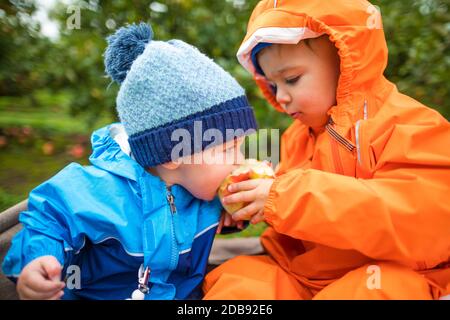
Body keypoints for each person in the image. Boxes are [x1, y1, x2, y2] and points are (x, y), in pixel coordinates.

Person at [203, 0, 450, 299]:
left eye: (291, 79)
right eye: (272, 84)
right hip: (305, 276)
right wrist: (249, 205)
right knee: (239, 280)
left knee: (378, 289)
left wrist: (287, 197)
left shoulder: (411, 126)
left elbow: (424, 220)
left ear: (344, 58)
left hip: (391, 272)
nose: (280, 96)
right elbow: (287, 218)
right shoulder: (296, 139)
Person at [2, 22, 258, 300]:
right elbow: (48, 219)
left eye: (240, 146)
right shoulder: (93, 190)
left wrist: (239, 212)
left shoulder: (204, 189)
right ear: (173, 154)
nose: (239, 161)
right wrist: (38, 260)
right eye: (228, 148)